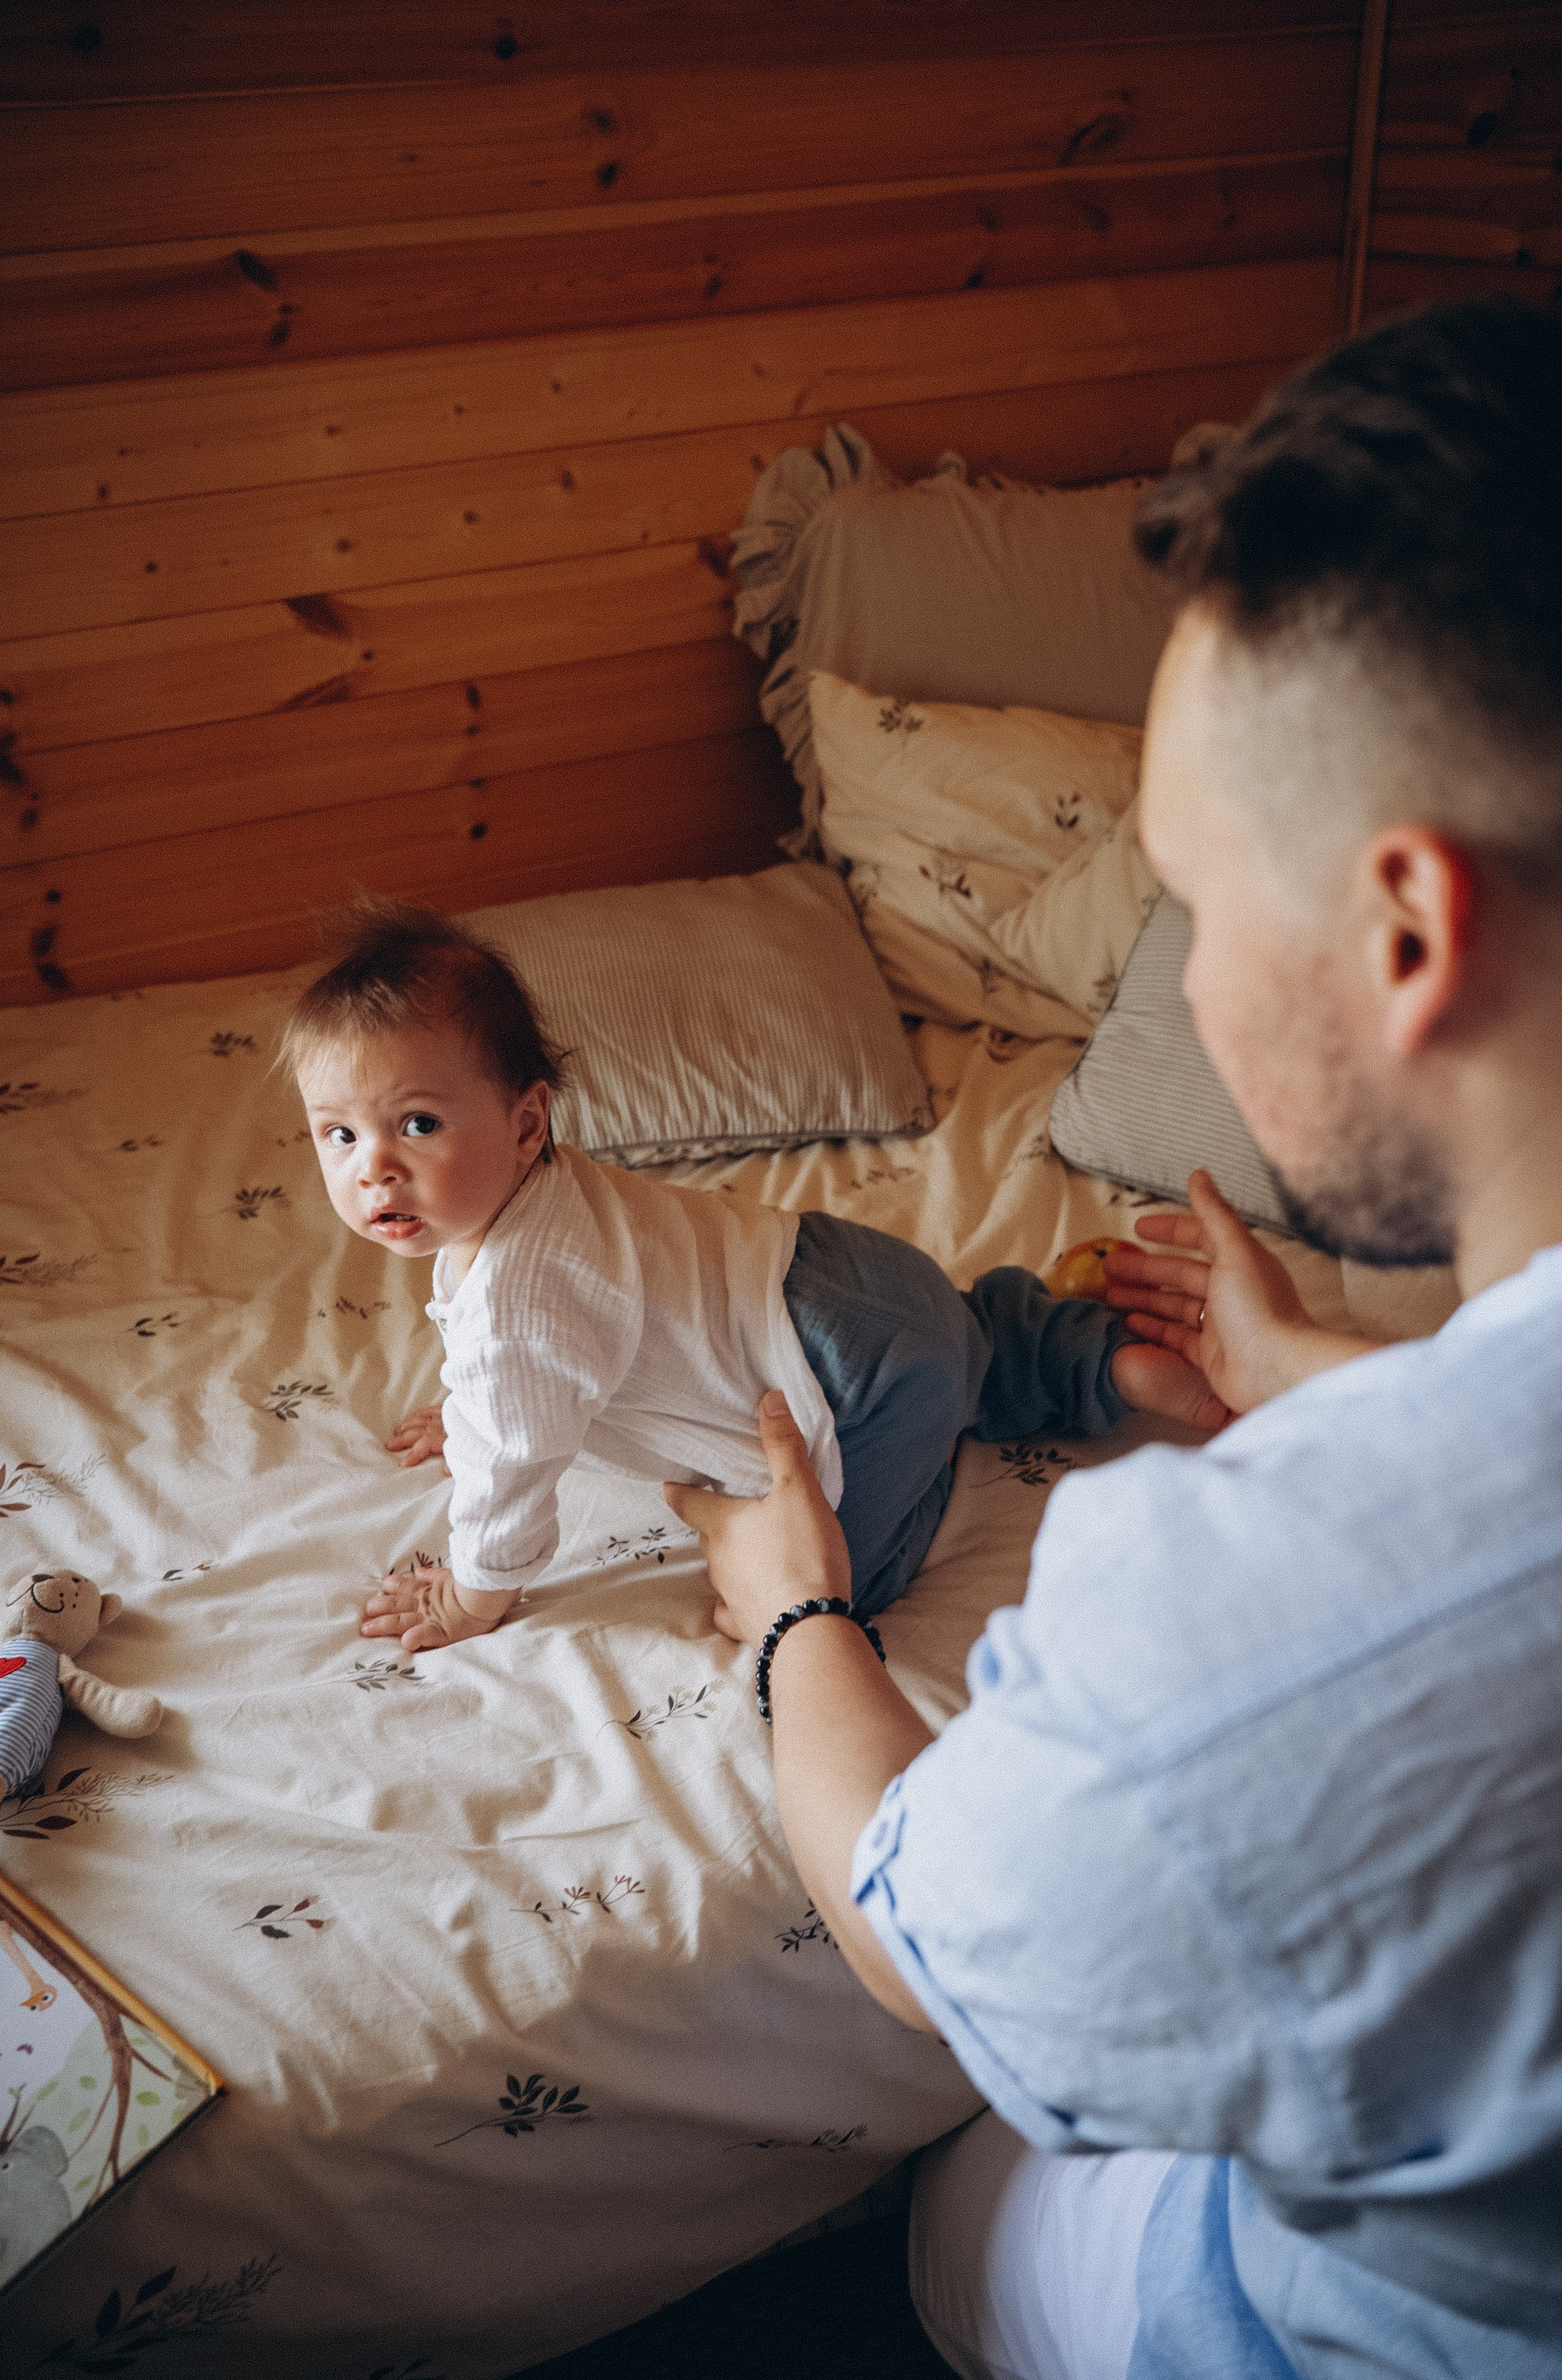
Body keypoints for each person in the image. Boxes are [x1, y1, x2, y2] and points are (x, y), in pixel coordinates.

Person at [664, 295, 1562, 2380]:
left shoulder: (1250, 1614)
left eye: (1195, 897)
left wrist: (799, 1617)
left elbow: (919, 1930)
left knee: (978, 2199)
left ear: (1409, 932)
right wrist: (1324, 1378)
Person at [279, 904, 1222, 1654]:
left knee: (825, 1589)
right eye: (340, 1134)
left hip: (845, 1392)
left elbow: (510, 1469)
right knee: (965, 1335)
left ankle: (942, 1446)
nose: (374, 1168)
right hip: (852, 1271)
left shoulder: (514, 1310)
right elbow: (553, 1356)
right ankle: (1091, 1355)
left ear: (528, 1125)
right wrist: (471, 1408)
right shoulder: (547, 1197)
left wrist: (466, 1599)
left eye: (418, 1124)